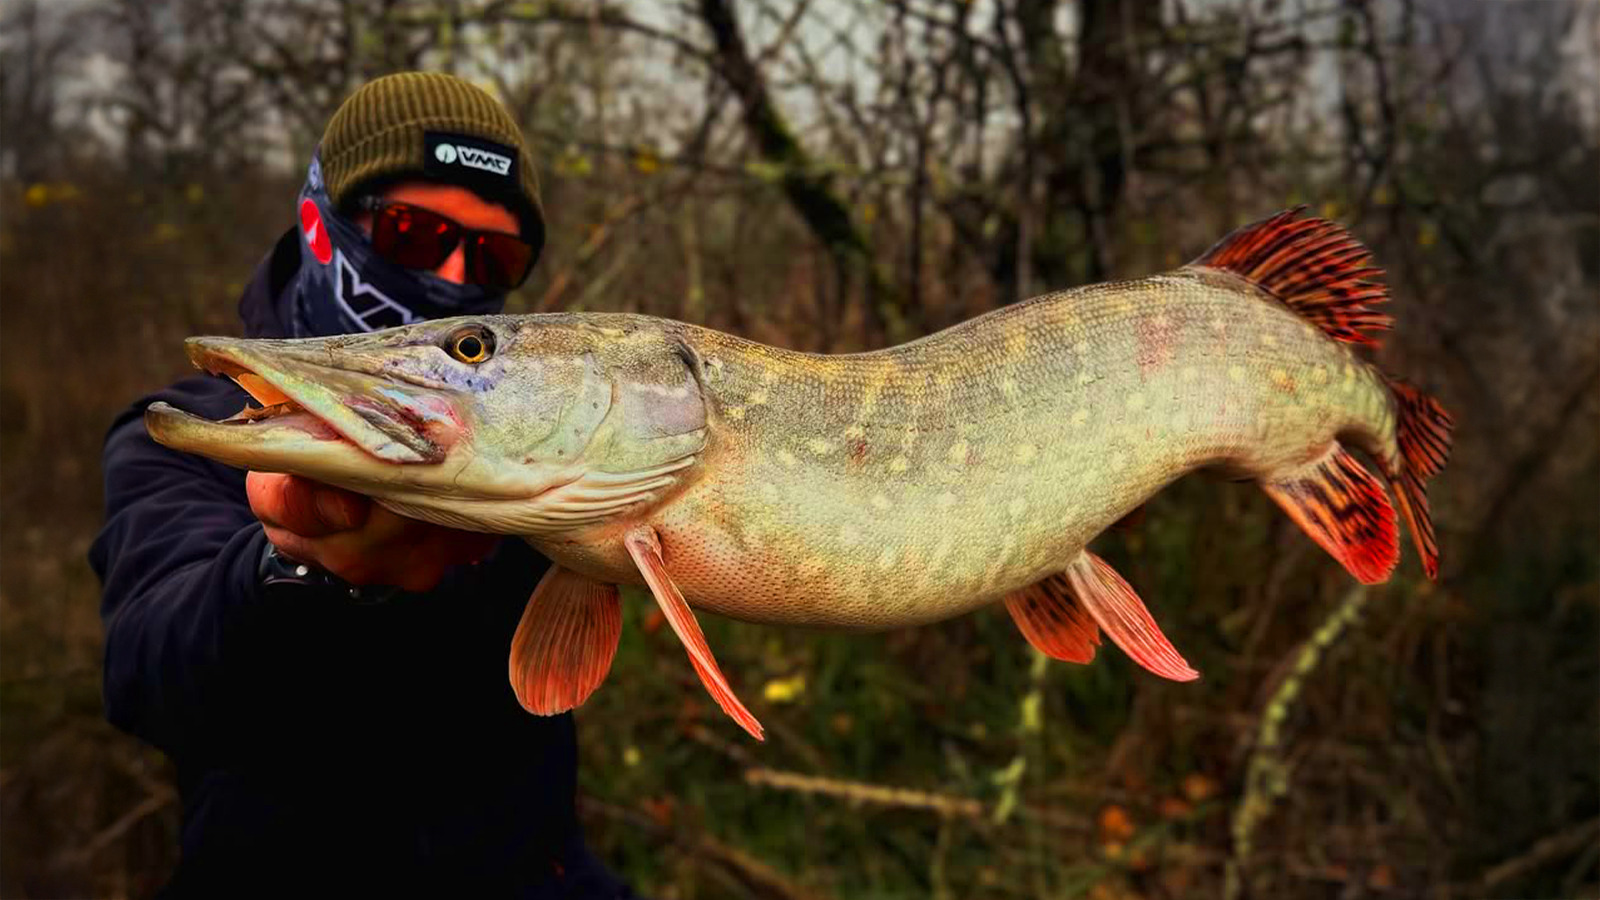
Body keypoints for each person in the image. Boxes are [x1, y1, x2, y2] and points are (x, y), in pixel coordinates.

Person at [89, 72, 634, 899]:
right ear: (317, 223)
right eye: (414, 233)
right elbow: (148, 674)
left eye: (493, 256)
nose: (455, 275)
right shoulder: (194, 431)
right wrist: (293, 570)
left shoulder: (544, 427)